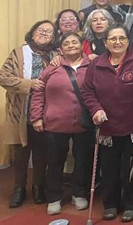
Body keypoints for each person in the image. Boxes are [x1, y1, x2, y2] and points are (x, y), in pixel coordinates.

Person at [81, 24, 133, 222]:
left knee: (130, 169)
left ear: (128, 41)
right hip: (107, 127)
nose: (117, 42)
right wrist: (96, 110)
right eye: (112, 39)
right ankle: (110, 204)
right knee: (109, 169)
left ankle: (131, 204)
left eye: (121, 38)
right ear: (105, 42)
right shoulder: (96, 64)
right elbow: (88, 91)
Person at [29, 33, 92, 215]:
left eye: (75, 42)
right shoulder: (52, 67)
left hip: (84, 123)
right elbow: (38, 91)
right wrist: (36, 116)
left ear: (81, 46)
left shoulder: (92, 66)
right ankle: (54, 197)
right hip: (54, 123)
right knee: (55, 162)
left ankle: (79, 194)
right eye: (67, 43)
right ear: (61, 49)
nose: (71, 45)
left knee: (82, 161)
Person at [0, 20, 55, 208]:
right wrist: (29, 84)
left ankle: (38, 187)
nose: (44, 34)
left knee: (41, 153)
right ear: (32, 33)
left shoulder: (55, 56)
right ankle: (19, 189)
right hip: (20, 112)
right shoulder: (19, 53)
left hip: (46, 113)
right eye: (41, 30)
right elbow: (3, 77)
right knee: (20, 154)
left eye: (49, 32)